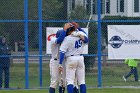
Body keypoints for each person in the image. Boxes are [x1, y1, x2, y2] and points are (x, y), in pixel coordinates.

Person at [58, 23, 88, 93]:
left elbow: (62, 52)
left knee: (70, 81)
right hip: (80, 58)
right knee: (82, 81)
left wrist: (60, 64)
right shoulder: (80, 34)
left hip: (71, 59)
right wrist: (79, 28)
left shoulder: (67, 38)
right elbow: (86, 40)